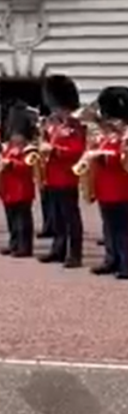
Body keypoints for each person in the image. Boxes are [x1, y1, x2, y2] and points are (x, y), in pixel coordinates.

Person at [38, 74, 86, 269]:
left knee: (70, 217)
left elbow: (77, 151)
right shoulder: (52, 125)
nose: (56, 111)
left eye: (58, 107)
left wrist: (54, 150)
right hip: (52, 177)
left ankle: (75, 253)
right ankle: (58, 249)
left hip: (67, 177)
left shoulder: (75, 127)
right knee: (56, 217)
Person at [87, 86, 128, 280]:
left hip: (121, 187)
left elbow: (124, 159)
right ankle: (111, 259)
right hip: (105, 187)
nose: (110, 123)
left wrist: (104, 156)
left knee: (123, 229)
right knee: (109, 227)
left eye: (113, 119)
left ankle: (126, 263)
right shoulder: (106, 137)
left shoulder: (126, 137)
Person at [0, 105, 38, 258]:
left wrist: (11, 164)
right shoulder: (7, 147)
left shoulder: (30, 149)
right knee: (11, 220)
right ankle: (14, 244)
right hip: (9, 189)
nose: (14, 137)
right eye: (13, 134)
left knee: (23, 221)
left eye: (17, 134)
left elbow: (29, 166)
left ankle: (25, 247)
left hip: (22, 188)